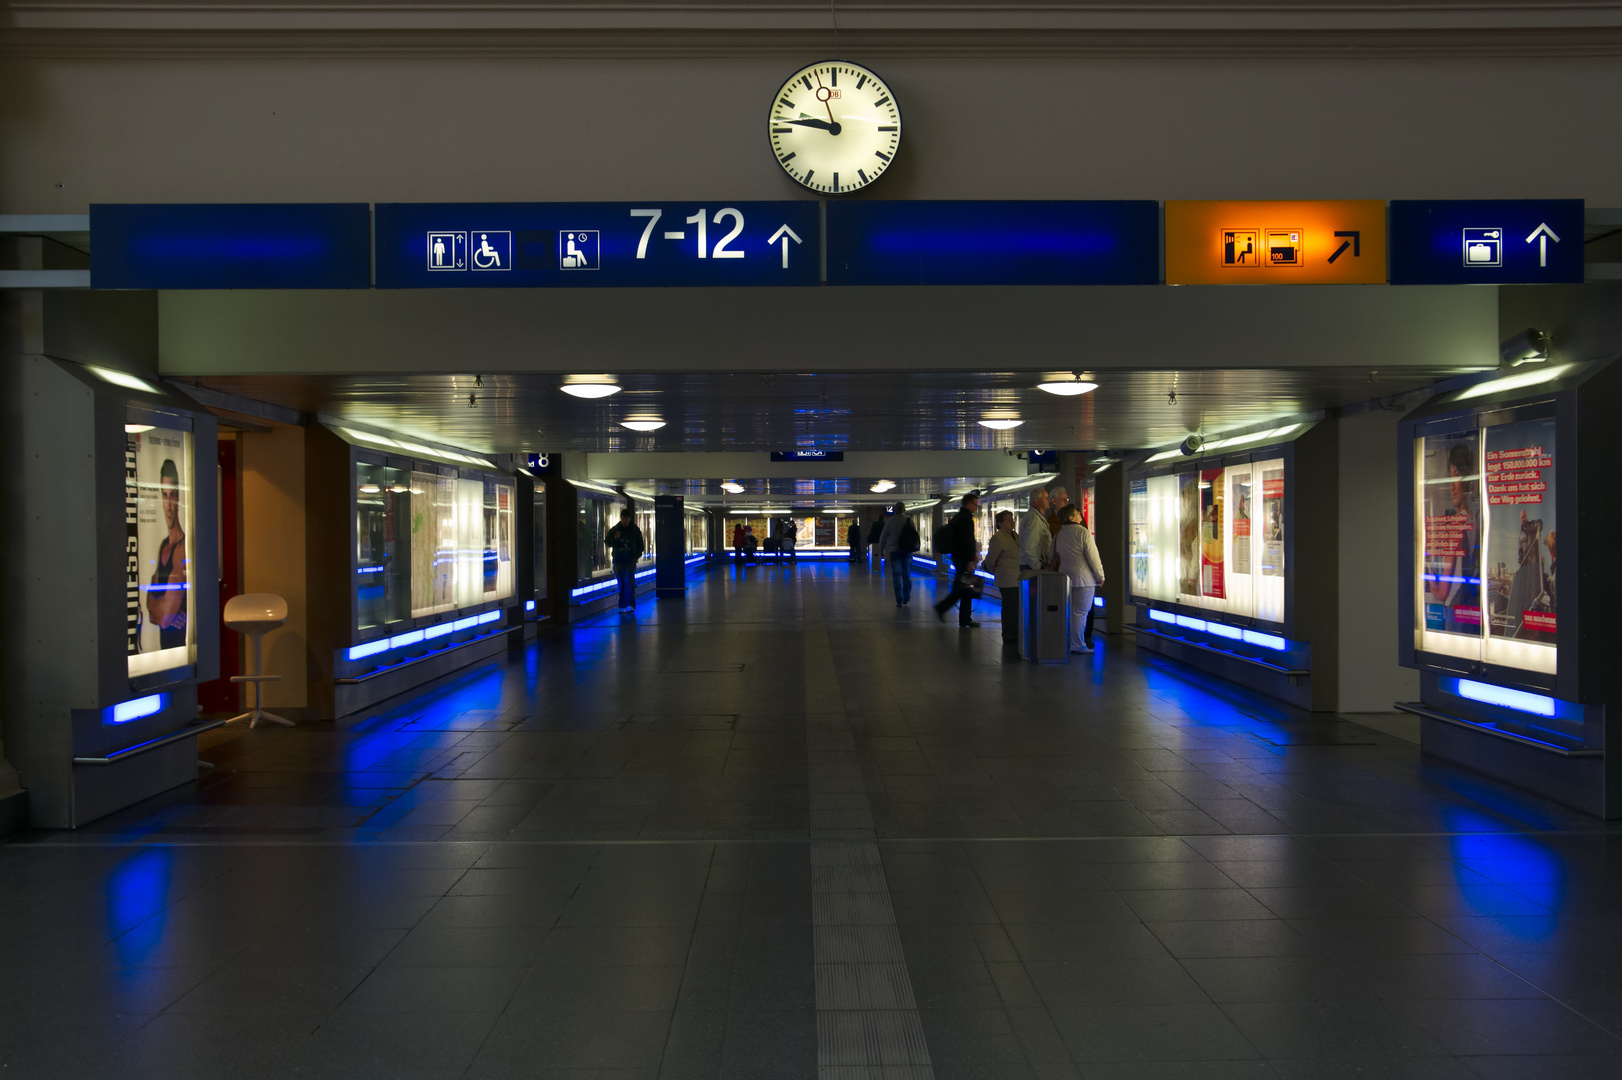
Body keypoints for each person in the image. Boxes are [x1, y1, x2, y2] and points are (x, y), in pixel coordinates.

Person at [146, 458, 189, 650]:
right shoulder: (164, 546)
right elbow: (153, 614)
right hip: (165, 652)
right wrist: (159, 609)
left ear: (178, 497)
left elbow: (161, 618)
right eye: (165, 495)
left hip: (181, 653)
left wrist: (156, 605)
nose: (169, 505)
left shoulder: (181, 550)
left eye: (172, 495)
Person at [1054, 504, 1105, 653]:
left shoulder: (1059, 534)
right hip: (1084, 579)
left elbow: (1052, 554)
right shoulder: (1083, 533)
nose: (1080, 515)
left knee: (1069, 612)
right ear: (1071, 518)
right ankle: (1077, 644)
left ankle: (1067, 642)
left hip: (1064, 578)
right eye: (1077, 513)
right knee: (1080, 613)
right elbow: (1093, 557)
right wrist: (1100, 576)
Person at [934, 490, 982, 627]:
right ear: (968, 504)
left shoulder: (958, 517)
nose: (976, 507)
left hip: (957, 557)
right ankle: (942, 608)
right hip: (964, 559)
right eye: (975, 504)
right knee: (961, 589)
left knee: (966, 588)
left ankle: (965, 618)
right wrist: (970, 560)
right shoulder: (966, 519)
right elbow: (967, 541)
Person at [983, 509, 1022, 648]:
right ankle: (1009, 635)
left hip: (1017, 577)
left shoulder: (1015, 536)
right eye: (1007, 519)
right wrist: (996, 571)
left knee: (1015, 607)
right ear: (1000, 523)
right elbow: (991, 559)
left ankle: (1015, 633)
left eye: (1012, 519)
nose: (1011, 521)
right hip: (1007, 578)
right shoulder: (998, 538)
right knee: (1010, 607)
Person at [878, 500, 919, 606]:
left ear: (895, 510)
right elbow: (914, 535)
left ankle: (899, 599)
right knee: (906, 575)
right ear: (904, 509)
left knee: (897, 576)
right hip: (907, 552)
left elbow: (883, 537)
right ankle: (906, 596)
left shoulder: (890, 521)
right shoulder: (909, 521)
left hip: (894, 552)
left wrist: (881, 549)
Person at [605, 507, 645, 610]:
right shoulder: (615, 530)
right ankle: (623, 604)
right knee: (622, 581)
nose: (624, 521)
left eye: (626, 519)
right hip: (618, 559)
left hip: (630, 558)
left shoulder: (635, 531)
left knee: (629, 580)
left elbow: (641, 546)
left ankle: (629, 604)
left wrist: (635, 556)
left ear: (629, 519)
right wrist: (615, 538)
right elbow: (607, 542)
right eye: (623, 519)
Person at [1019, 487, 1054, 575]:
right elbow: (1029, 547)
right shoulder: (1034, 519)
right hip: (1032, 567)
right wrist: (1038, 566)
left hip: (1030, 565)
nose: (1048, 500)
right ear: (1037, 501)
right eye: (1046, 498)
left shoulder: (1034, 517)